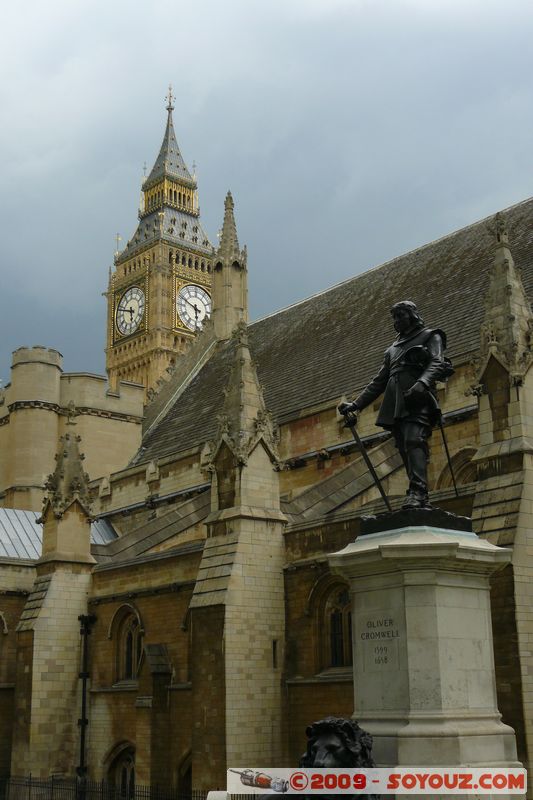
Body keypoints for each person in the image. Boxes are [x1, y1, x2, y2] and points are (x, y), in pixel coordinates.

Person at [339, 301, 451, 510]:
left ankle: (419, 492)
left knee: (414, 439)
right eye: (395, 318)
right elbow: (379, 381)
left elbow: (436, 362)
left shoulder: (431, 336)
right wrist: (356, 405)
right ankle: (416, 491)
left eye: (400, 316)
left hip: (418, 399)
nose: (396, 321)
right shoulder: (392, 349)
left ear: (412, 316)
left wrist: (422, 383)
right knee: (402, 446)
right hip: (396, 402)